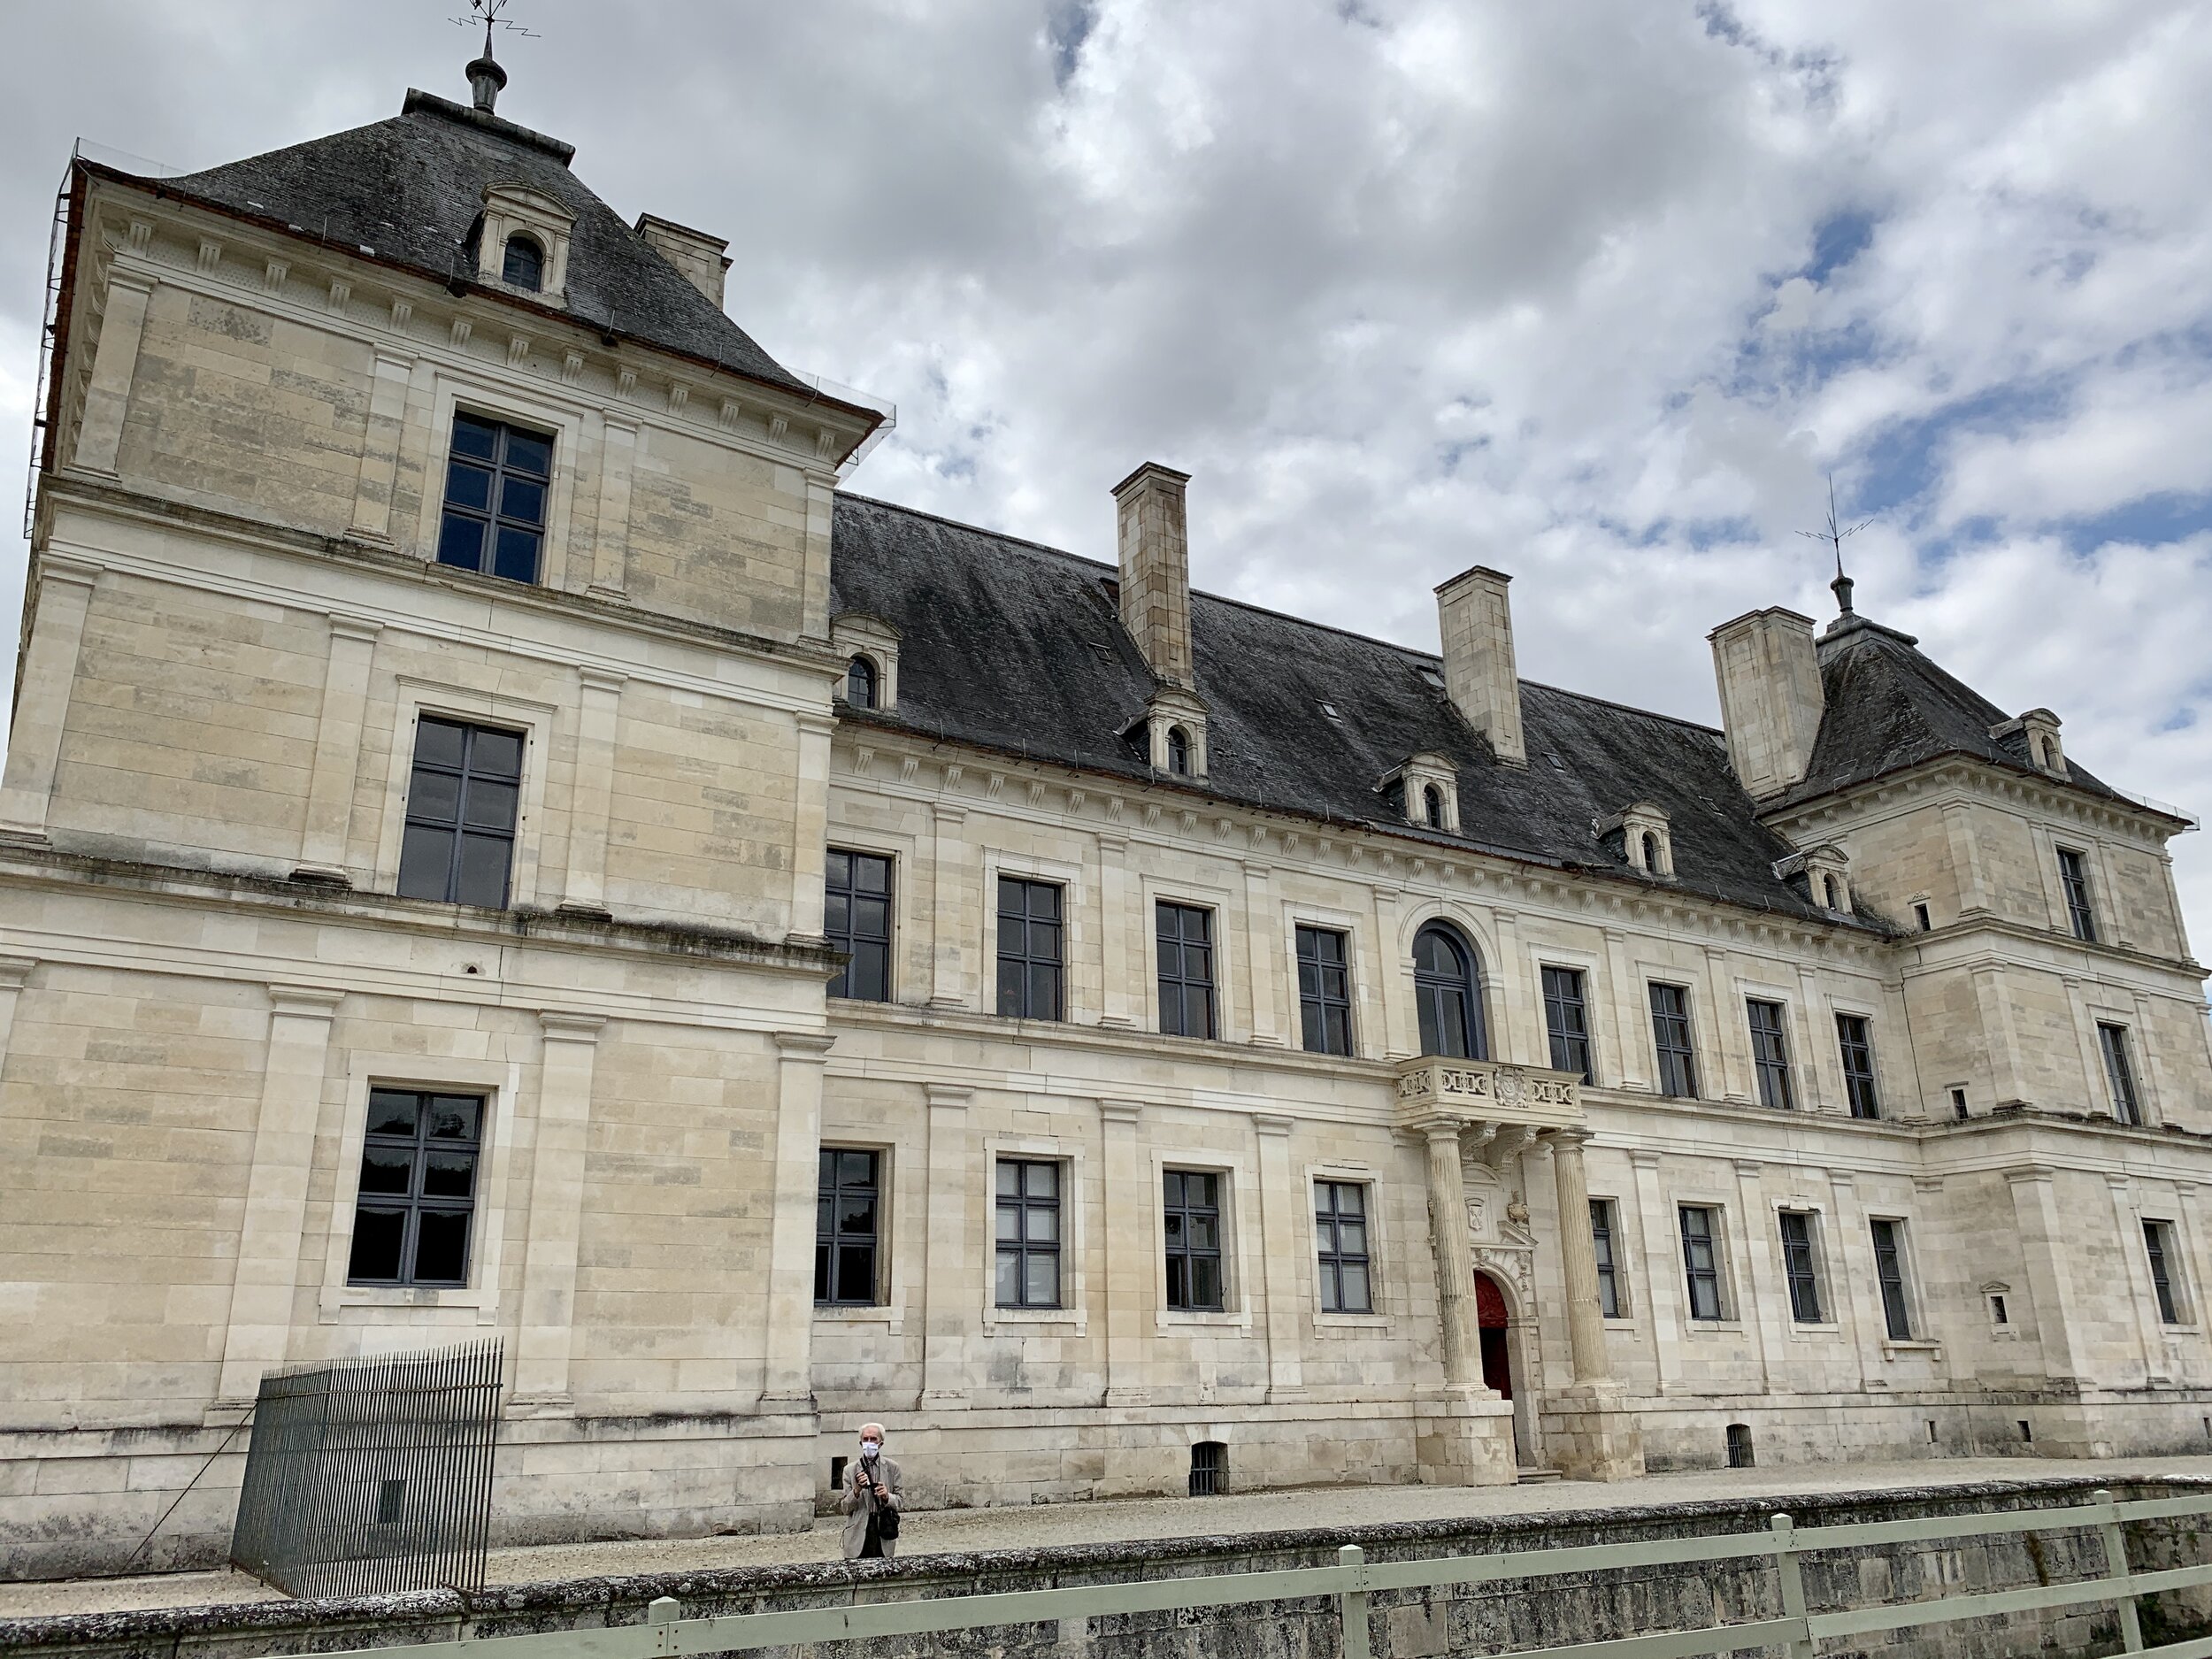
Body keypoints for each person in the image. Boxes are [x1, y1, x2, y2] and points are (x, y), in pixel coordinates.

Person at [839, 1423, 902, 1561]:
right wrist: (856, 1490)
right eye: (865, 1439)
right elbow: (845, 1508)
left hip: (882, 1530)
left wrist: (887, 1496)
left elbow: (900, 1502)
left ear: (881, 1443)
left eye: (873, 1439)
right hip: (858, 1532)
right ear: (860, 1443)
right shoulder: (850, 1470)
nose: (869, 1443)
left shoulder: (892, 1468)